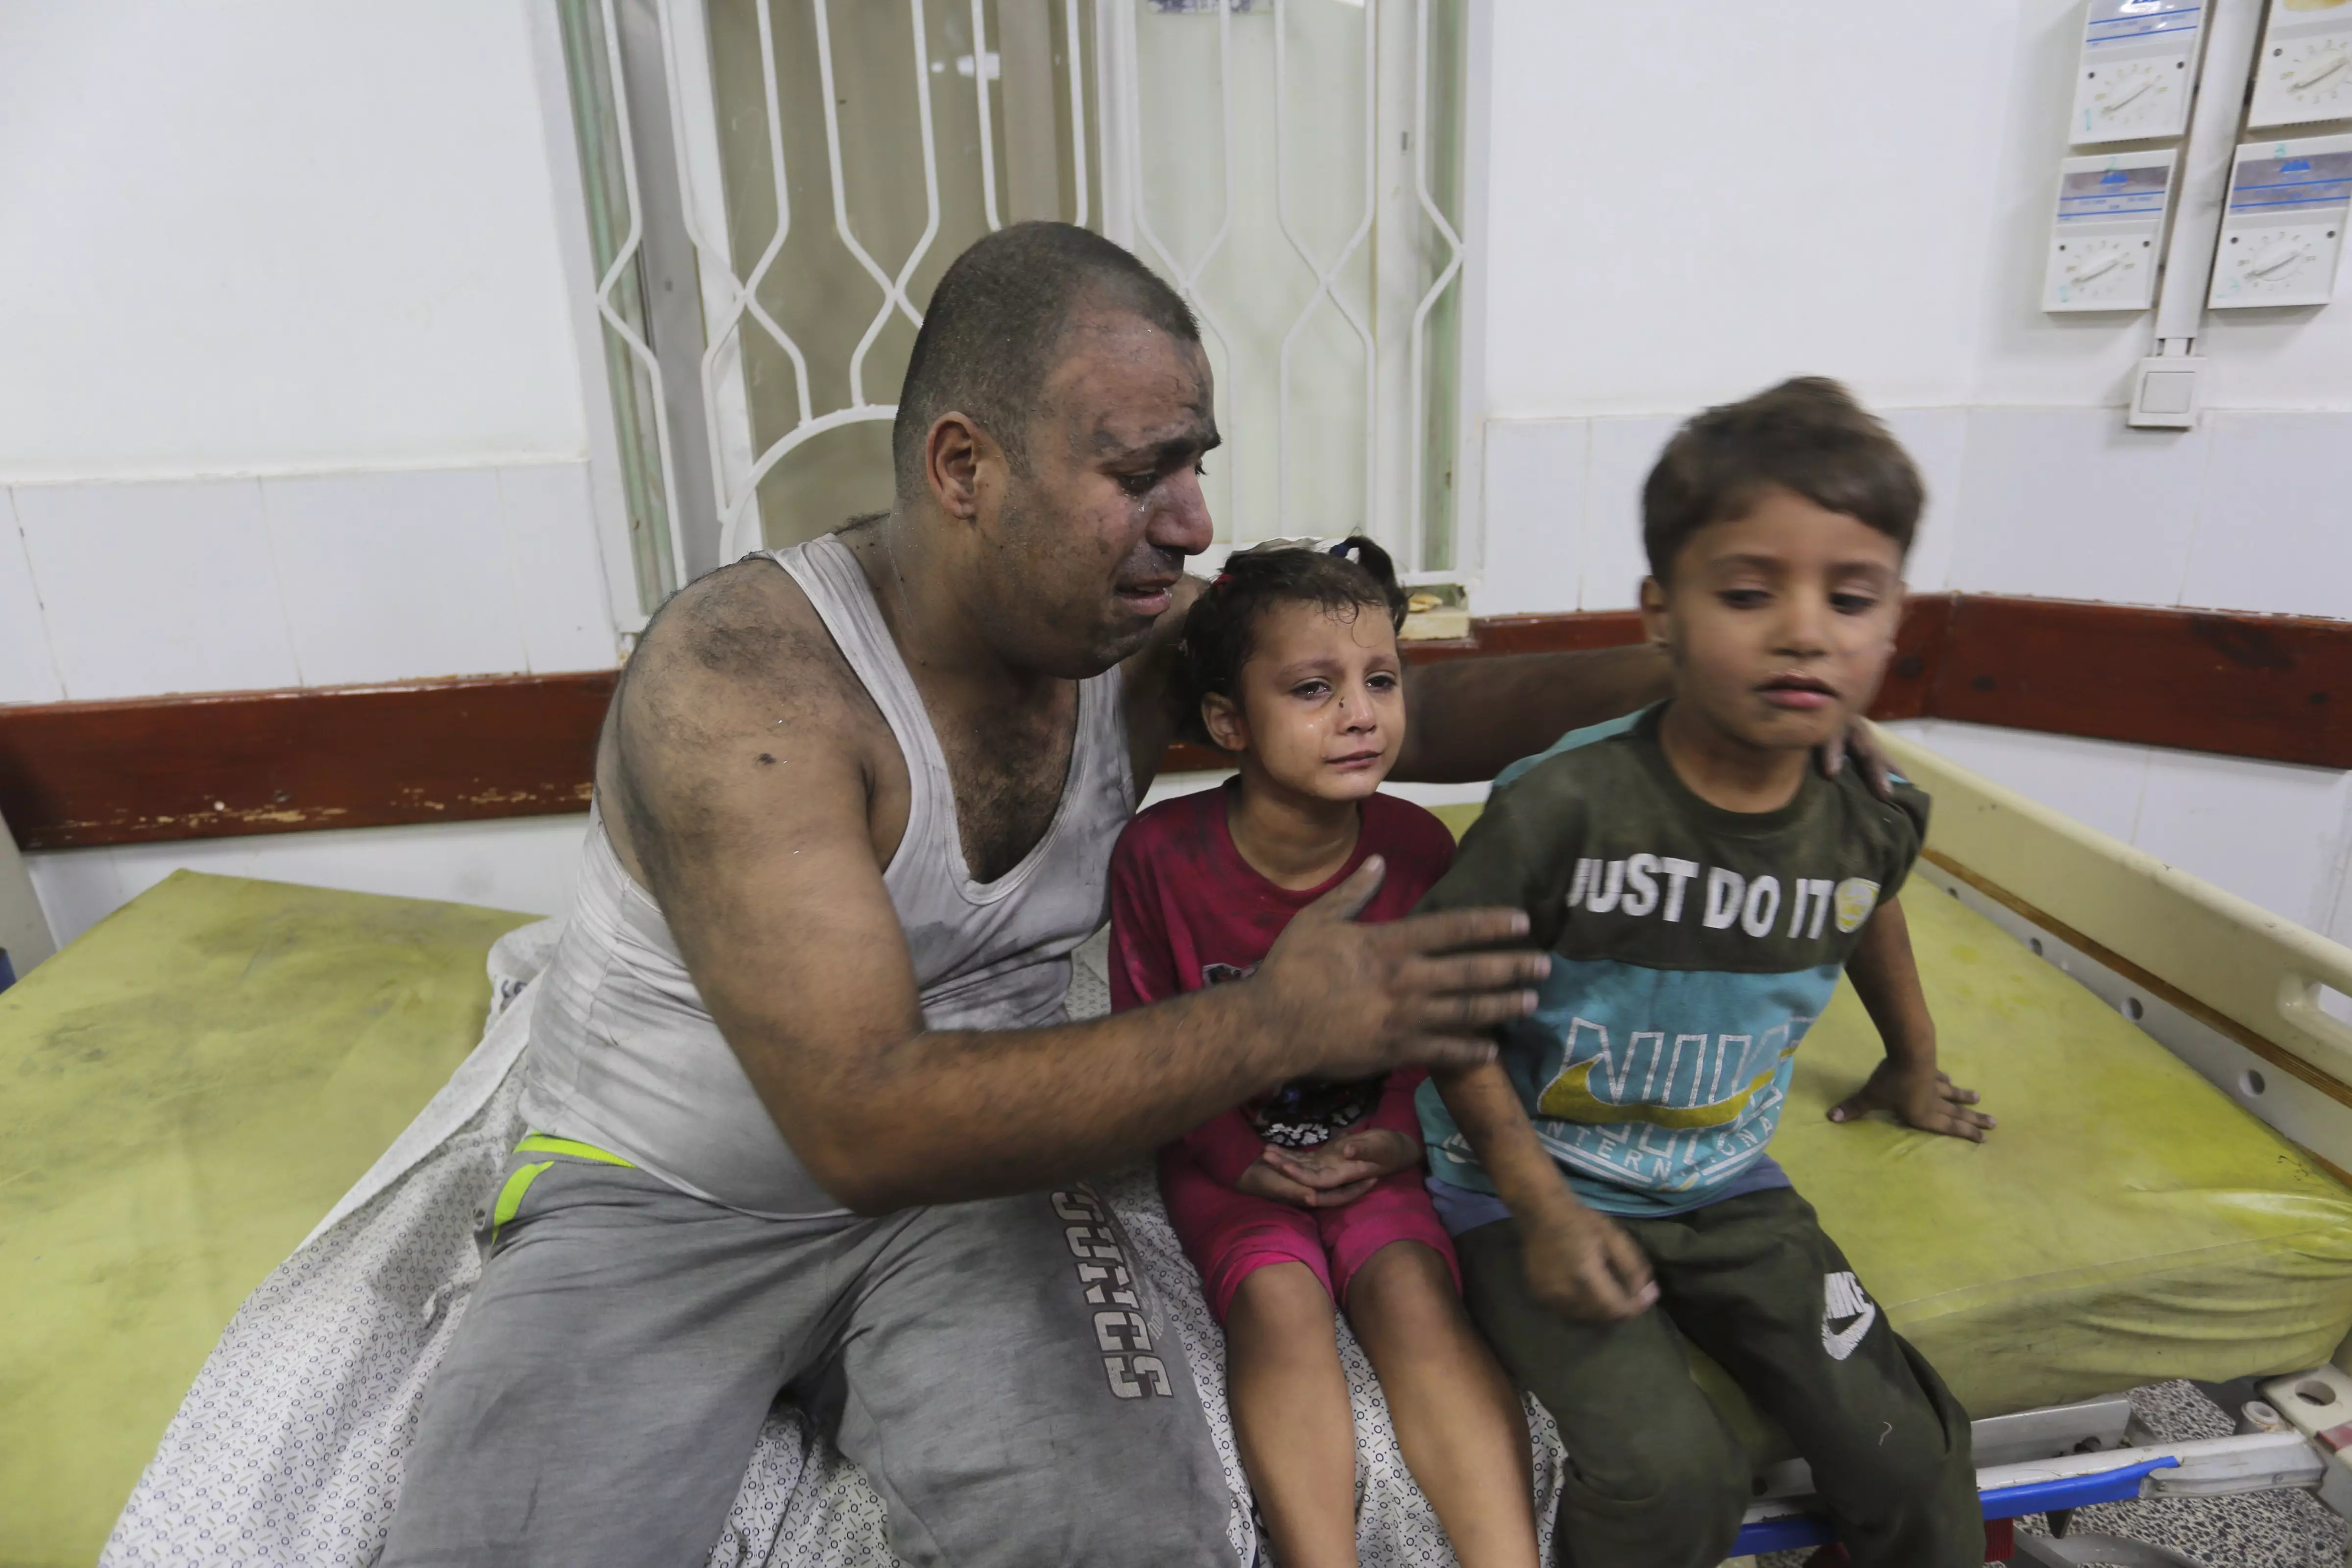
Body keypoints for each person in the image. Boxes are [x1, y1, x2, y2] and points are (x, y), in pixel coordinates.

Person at [378, 221, 1684, 1568]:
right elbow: (863, 1123)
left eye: (1196, 468)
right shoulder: (744, 686)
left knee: (1139, 1541)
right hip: (658, 1201)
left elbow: (1407, 708)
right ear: (966, 468)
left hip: (981, 1195)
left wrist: (1686, 682)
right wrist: (1275, 1024)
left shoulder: (1125, 642)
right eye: (1141, 474)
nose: (1192, 525)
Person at [1416, 378, 1997, 1568]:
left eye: (1851, 597)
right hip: (1526, 1181)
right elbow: (1440, 1017)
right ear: (1661, 614)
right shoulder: (1565, 805)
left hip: (1726, 1183)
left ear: (1894, 621)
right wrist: (1540, 1208)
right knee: (1673, 1477)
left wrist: (1914, 1058)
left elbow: (1866, 906)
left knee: (1919, 1460)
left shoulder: (1870, 810)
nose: (1804, 630)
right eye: (1747, 592)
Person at [1107, 539, 1539, 1568]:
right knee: (1279, 1302)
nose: (1360, 712)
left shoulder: (1420, 849)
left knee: (1415, 1298)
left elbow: (1440, 1035)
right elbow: (1147, 1042)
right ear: (1228, 722)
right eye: (1314, 687)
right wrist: (1233, 1155)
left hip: (1375, 1155)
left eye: (1380, 681)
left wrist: (1395, 1137)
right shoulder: (1160, 860)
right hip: (1232, 1161)